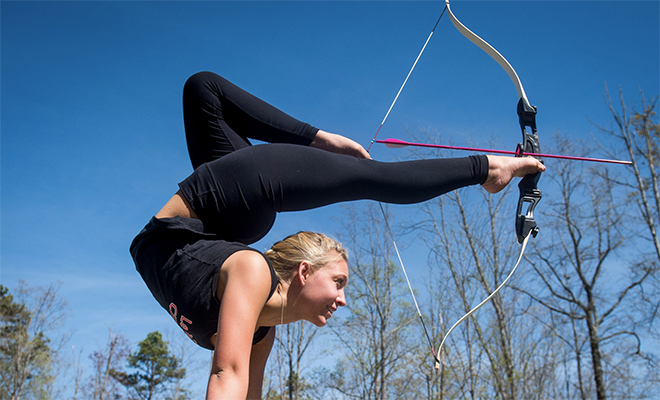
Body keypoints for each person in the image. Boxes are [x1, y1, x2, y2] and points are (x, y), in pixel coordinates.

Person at [130, 71, 545, 399]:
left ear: (305, 272)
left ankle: (489, 168)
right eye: (340, 283)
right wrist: (318, 140)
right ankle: (482, 167)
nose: (344, 299)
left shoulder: (255, 303)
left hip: (214, 220)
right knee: (202, 87)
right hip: (217, 213)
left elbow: (231, 378)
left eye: (341, 283)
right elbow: (232, 378)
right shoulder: (252, 283)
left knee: (369, 177)